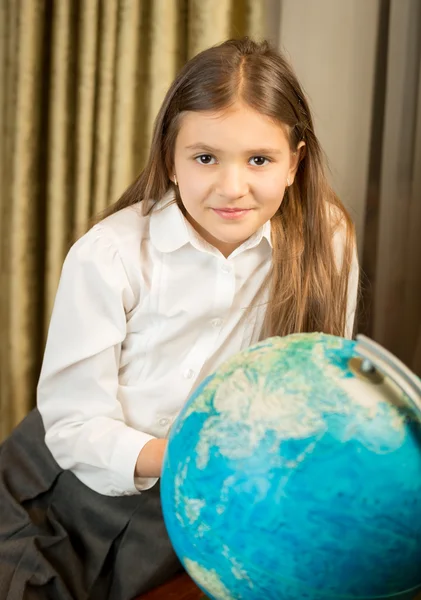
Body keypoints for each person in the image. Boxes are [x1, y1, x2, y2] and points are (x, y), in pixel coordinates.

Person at [0, 37, 359, 599]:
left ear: (296, 162)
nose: (231, 187)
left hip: (190, 504)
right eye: (205, 157)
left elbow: (318, 386)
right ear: (171, 158)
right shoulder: (109, 254)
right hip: (62, 491)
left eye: (259, 160)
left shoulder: (328, 243)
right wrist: (192, 457)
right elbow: (71, 425)